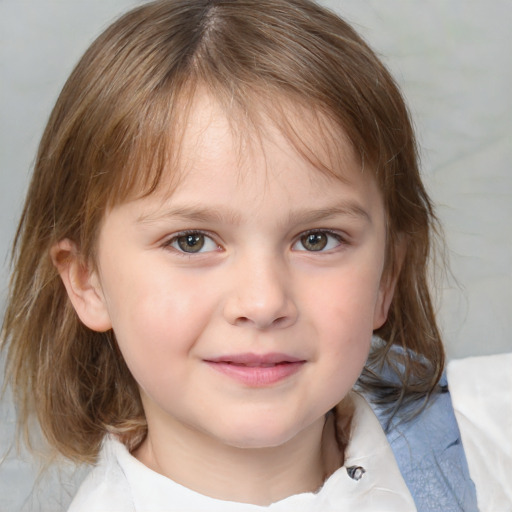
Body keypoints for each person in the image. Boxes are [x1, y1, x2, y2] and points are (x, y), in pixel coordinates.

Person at [0, 0, 485, 510]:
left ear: (386, 277)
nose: (262, 301)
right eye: (191, 241)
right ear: (86, 282)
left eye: (317, 239)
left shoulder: (487, 443)